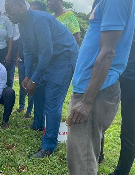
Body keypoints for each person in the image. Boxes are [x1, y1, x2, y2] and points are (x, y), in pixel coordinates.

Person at [66, 0, 135, 174]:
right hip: (91, 87)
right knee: (82, 154)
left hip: (94, 90)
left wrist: (86, 101)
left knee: (83, 161)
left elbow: (108, 52)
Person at [5, 0, 79, 158]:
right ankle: (38, 124)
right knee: (37, 93)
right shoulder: (22, 24)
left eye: (10, 11)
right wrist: (28, 76)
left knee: (52, 101)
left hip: (64, 59)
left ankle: (49, 145)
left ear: (21, 7)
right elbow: (29, 52)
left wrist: (34, 79)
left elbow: (46, 52)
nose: (8, 15)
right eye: (7, 12)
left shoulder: (40, 20)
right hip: (49, 59)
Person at [110, 35, 135, 175]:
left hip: (131, 81)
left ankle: (122, 171)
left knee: (129, 129)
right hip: (117, 75)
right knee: (101, 118)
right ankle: (99, 156)